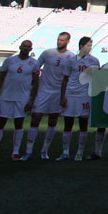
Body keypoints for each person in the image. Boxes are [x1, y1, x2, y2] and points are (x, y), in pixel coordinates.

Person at [0, 40, 40, 162]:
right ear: (20, 47)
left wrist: (31, 100)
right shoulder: (9, 60)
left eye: (28, 46)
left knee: (19, 124)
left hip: (22, 98)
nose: (26, 48)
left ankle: (15, 152)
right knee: (0, 123)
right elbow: (0, 79)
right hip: (6, 97)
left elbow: (36, 83)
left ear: (31, 49)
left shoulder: (34, 63)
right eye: (24, 46)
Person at [22, 32, 76, 160]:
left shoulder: (72, 57)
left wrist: (65, 95)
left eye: (62, 40)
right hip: (43, 91)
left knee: (53, 120)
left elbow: (72, 76)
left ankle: (44, 151)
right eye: (58, 39)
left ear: (68, 41)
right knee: (35, 118)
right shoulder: (47, 53)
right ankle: (28, 151)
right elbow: (36, 68)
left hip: (58, 93)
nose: (59, 42)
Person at [58, 36, 100, 161]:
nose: (90, 48)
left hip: (85, 95)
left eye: (91, 46)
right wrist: (62, 96)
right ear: (81, 46)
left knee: (83, 124)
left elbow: (97, 80)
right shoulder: (71, 60)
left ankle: (80, 152)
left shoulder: (94, 61)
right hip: (70, 94)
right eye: (88, 45)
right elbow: (65, 79)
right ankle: (65, 152)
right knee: (68, 123)